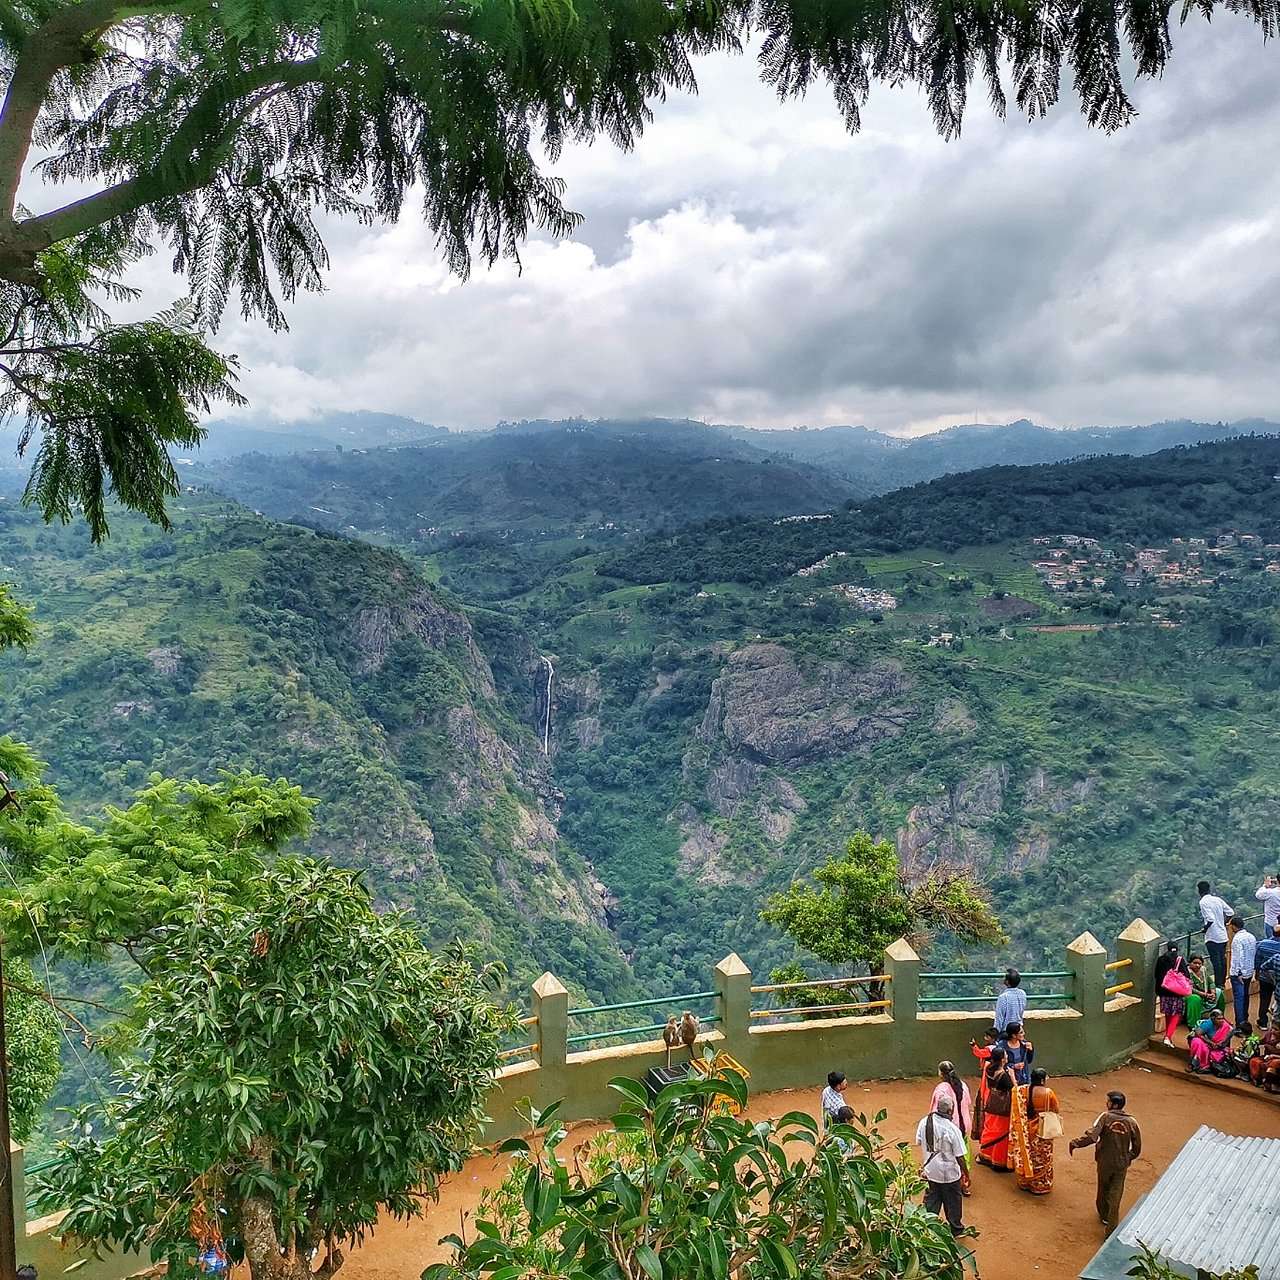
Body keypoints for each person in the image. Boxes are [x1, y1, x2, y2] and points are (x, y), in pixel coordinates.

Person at [1068, 1091, 1142, 1236]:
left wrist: (1076, 1143)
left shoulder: (1105, 1117)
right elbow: (1137, 1146)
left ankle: (1103, 1215)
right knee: (1116, 1194)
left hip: (1104, 1162)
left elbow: (1093, 1137)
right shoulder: (1132, 1122)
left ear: (1113, 1104)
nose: (1106, 1103)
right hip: (1121, 1164)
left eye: (1108, 1101)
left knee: (1103, 1188)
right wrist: (1128, 1158)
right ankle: (1111, 1229)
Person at [915, 1093, 969, 1235]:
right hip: (949, 1174)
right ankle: (956, 1229)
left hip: (931, 1171)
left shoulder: (924, 1122)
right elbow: (960, 1157)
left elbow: (919, 1141)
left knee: (932, 1199)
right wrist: (966, 1174)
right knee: (953, 1202)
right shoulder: (952, 1129)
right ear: (950, 1111)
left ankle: (926, 1227)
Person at [1010, 1066, 1061, 1195]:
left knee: (1029, 1155)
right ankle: (1040, 1184)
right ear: (1043, 1080)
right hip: (1042, 1130)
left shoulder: (1023, 1091)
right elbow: (1055, 1109)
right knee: (1042, 1158)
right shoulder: (1049, 1093)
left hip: (1026, 1129)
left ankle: (1025, 1181)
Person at [977, 1047, 1015, 1171]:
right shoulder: (1004, 1075)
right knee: (1002, 1133)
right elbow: (1014, 1090)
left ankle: (985, 1156)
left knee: (990, 1129)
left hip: (991, 1102)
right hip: (1003, 1108)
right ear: (1003, 1059)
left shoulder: (988, 1069)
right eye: (1005, 1055)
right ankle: (998, 1161)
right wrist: (1012, 1076)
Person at [1198, 880, 1233, 989]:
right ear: (1209, 889)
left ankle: (1219, 985)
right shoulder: (1217, 899)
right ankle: (1222, 982)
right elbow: (1230, 912)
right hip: (1223, 935)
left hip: (1212, 936)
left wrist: (1205, 928)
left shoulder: (1203, 902)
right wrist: (1223, 923)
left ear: (1199, 891)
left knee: (1216, 962)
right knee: (1222, 959)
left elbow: (1210, 919)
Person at [1154, 941, 1190, 1046]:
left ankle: (1167, 1035)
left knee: (1168, 1013)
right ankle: (1168, 1037)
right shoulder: (1180, 960)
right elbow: (1186, 976)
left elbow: (1156, 975)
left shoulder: (1161, 959)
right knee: (1176, 1014)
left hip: (1163, 991)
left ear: (1167, 948)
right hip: (1177, 993)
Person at [969, 1027, 998, 1144]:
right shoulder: (997, 1047)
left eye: (987, 1036)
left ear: (992, 1038)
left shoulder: (989, 1049)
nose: (985, 1038)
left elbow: (979, 1053)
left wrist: (973, 1045)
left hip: (988, 1073)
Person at [1228, 915, 1257, 1029]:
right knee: (1245, 995)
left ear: (1234, 927)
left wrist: (1238, 973)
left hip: (1238, 974)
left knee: (1239, 998)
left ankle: (1240, 1024)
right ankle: (1245, 1018)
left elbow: (1237, 957)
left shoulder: (1237, 939)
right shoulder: (1251, 936)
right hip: (1249, 971)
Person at [1188, 1007, 1234, 1074]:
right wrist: (1210, 1043)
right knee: (1196, 1042)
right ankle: (1193, 1064)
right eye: (1219, 1019)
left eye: (1222, 1018)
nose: (1221, 1020)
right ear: (1213, 1019)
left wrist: (1219, 1045)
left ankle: (1206, 1066)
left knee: (1218, 1055)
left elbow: (1227, 1041)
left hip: (1218, 1048)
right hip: (1207, 1044)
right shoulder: (1207, 1024)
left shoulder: (1227, 1027)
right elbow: (1198, 1033)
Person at [1184, 954, 1220, 1028]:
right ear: (1190, 963)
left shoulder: (1203, 970)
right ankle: (1193, 1024)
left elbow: (1211, 982)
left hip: (1205, 994)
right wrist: (1204, 994)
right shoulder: (1186, 973)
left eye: (1199, 963)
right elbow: (1190, 988)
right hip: (1190, 994)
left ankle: (1218, 1017)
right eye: (1194, 963)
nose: (1197, 965)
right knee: (1195, 999)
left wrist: (1213, 992)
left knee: (1219, 991)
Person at [1256, 921, 1280, 1030]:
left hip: (1264, 977)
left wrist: (1257, 973)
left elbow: (1258, 961)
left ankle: (1263, 1022)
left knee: (1264, 998)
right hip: (1278, 978)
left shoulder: (1263, 943)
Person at [995, 968, 1027, 1034]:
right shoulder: (1022, 993)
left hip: (1006, 1032)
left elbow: (999, 1019)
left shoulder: (1003, 997)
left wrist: (996, 1034)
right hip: (1018, 1030)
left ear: (1007, 981)